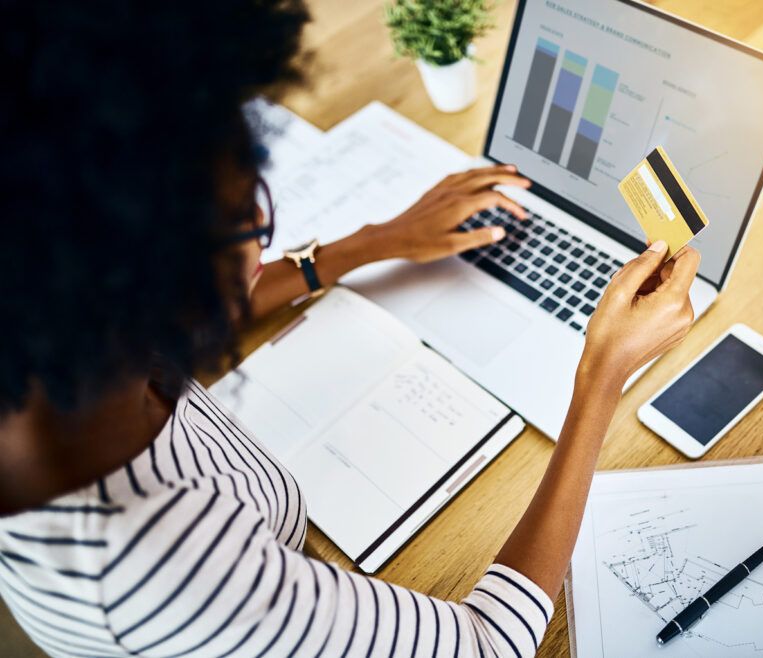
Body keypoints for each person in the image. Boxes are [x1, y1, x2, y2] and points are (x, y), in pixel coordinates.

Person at [0, 1, 700, 656]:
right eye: (247, 220)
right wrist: (601, 372)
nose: (264, 242)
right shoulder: (164, 575)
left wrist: (371, 242)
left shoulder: (45, 317)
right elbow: (486, 643)